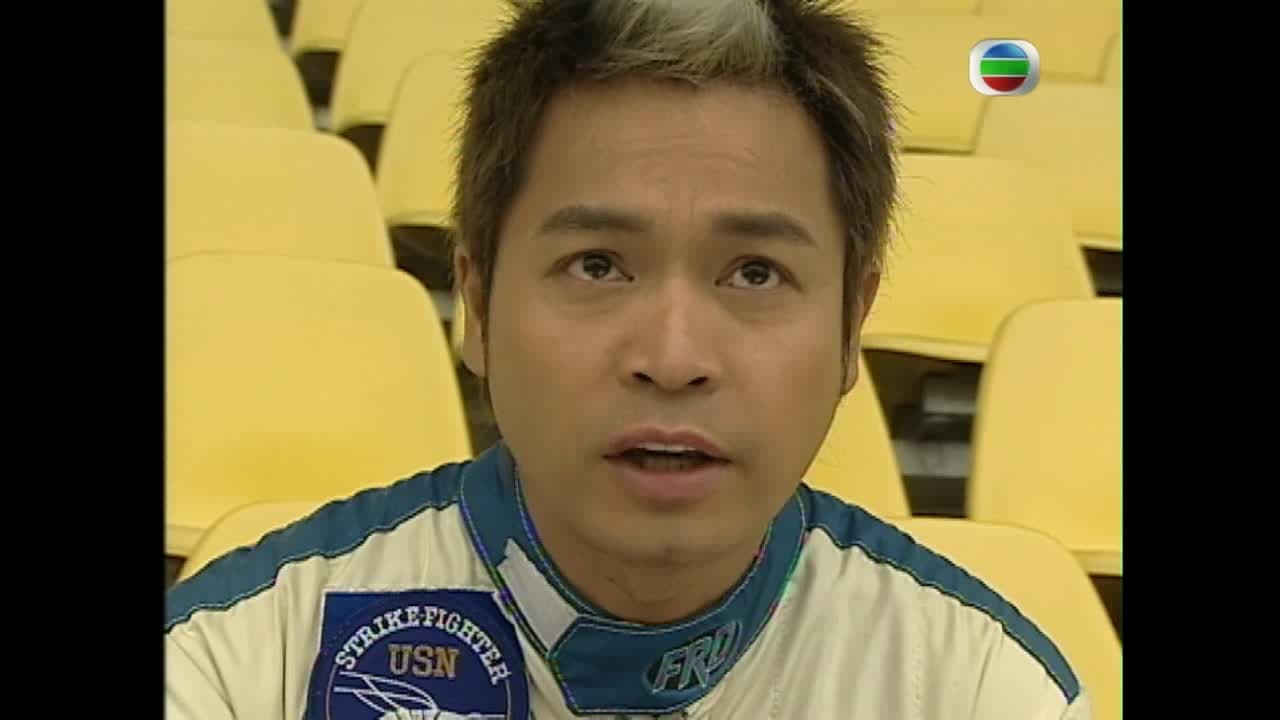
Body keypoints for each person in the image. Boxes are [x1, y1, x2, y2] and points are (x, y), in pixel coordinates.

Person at [165, 0, 1092, 718]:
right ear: (477, 305)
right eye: (598, 265)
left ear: (853, 327)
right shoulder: (240, 663)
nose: (673, 356)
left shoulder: (976, 684)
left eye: (756, 273)